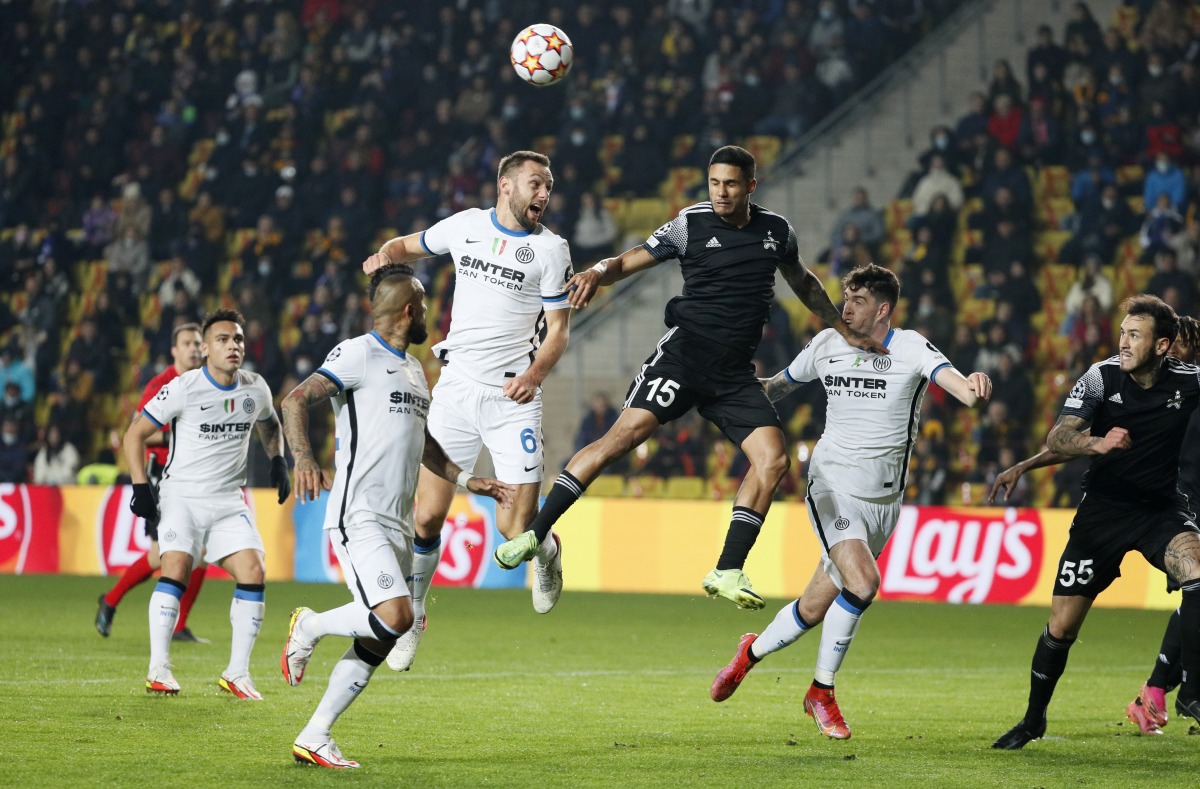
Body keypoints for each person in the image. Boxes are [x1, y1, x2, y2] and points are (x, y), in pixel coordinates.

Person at [492, 146, 888, 610]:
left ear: (750, 187)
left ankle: (727, 569)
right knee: (622, 437)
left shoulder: (776, 232)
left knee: (773, 460)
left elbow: (803, 283)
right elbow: (632, 258)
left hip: (735, 375)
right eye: (715, 182)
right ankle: (536, 534)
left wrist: (843, 331)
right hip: (682, 359)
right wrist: (597, 271)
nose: (721, 192)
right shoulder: (691, 223)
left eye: (732, 184)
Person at [708, 264, 991, 739]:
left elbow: (961, 390)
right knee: (863, 583)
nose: (846, 307)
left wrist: (975, 384)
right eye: (845, 298)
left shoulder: (911, 346)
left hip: (884, 503)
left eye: (857, 302)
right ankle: (821, 691)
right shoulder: (826, 344)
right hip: (831, 485)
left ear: (883, 309)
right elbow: (777, 387)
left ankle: (748, 654)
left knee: (815, 608)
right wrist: (726, 396)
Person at [279, 263, 514, 769]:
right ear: (409, 310)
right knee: (398, 617)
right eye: (425, 304)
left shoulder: (413, 370)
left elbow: (421, 441)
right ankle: (310, 626)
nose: (429, 312)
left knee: (380, 636)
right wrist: (302, 458)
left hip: (397, 524)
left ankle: (316, 734)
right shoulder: (356, 354)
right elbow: (295, 401)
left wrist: (466, 479)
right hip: (358, 514)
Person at [360, 151, 573, 672]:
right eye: (534, 184)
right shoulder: (465, 227)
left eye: (548, 186)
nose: (543, 194)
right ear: (505, 184)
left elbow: (559, 331)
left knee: (514, 529)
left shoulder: (551, 250)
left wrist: (532, 377)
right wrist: (384, 255)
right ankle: (412, 613)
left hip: (512, 399)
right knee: (427, 516)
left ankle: (547, 554)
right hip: (455, 389)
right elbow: (405, 246)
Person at [986, 295, 1200, 749]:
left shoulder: (1187, 379)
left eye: (1134, 335)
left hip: (1160, 510)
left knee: (1199, 575)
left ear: (1162, 346)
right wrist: (1096, 443)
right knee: (1062, 627)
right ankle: (1032, 720)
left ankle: (1190, 694)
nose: (1123, 341)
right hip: (1101, 514)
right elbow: (1059, 435)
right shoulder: (1101, 377)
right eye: (1122, 332)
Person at [122, 309, 291, 698]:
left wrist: (279, 460)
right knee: (177, 566)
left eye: (238, 339)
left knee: (254, 569)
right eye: (223, 340)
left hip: (229, 500)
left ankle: (237, 673)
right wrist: (141, 487)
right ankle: (158, 668)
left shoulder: (255, 388)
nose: (233, 346)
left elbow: (269, 423)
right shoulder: (184, 387)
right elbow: (135, 434)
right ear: (205, 348)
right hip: (182, 496)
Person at [95, 324, 210, 643]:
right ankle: (113, 599)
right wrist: (179, 432)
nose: (192, 348)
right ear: (174, 350)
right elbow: (139, 429)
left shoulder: (207, 382)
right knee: (164, 553)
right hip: (162, 475)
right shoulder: (161, 384)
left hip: (195, 475)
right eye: (186, 343)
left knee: (200, 552)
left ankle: (178, 625)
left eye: (196, 343)